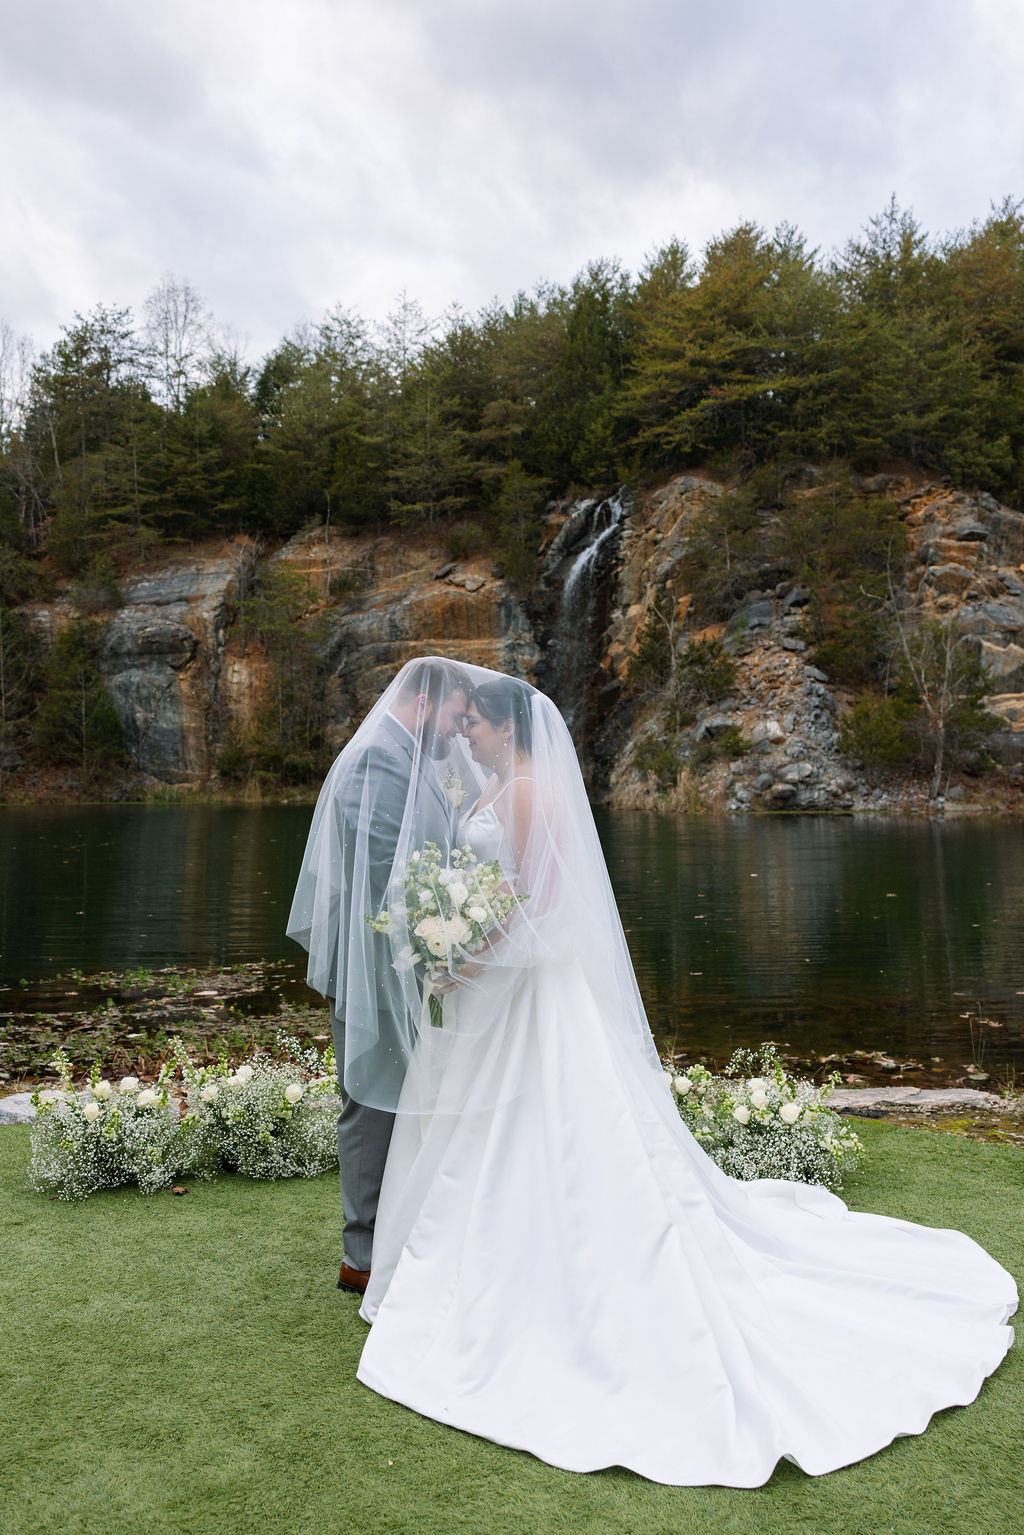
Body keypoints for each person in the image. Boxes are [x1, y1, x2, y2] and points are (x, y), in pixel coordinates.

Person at [311, 658, 1016, 1487]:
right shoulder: (496, 788)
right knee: (507, 1127)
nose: (463, 734)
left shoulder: (530, 791)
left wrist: (463, 956)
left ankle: (539, 1267)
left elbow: (530, 900)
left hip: (529, 993)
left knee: (552, 1123)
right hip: (501, 991)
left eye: (474, 724)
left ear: (508, 726)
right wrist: (457, 943)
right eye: (459, 722)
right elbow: (496, 888)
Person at [287, 657, 469, 1293]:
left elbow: (423, 863)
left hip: (408, 958)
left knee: (408, 1098)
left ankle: (401, 1234)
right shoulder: (377, 760)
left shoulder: (416, 760)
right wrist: (436, 943)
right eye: (453, 715)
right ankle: (360, 1257)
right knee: (369, 1100)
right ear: (423, 702)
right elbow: (385, 871)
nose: (456, 729)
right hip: (377, 962)